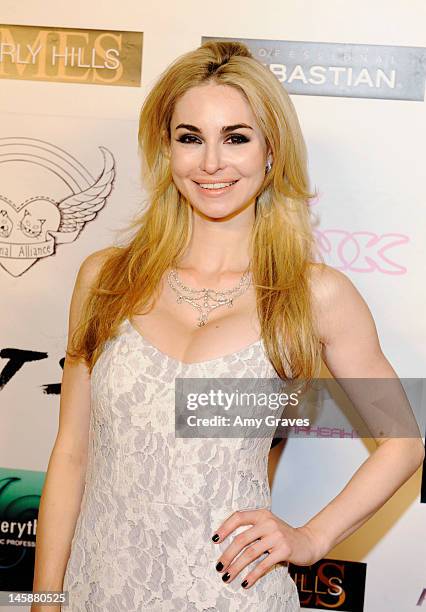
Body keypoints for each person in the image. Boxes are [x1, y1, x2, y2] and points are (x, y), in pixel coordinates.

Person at [31, 40, 425, 611]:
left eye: (236, 137)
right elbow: (71, 453)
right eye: (190, 138)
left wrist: (311, 538)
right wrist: (43, 599)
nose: (211, 162)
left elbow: (404, 442)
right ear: (166, 151)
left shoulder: (312, 294)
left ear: (271, 152)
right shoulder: (106, 279)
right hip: (103, 588)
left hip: (231, 593)